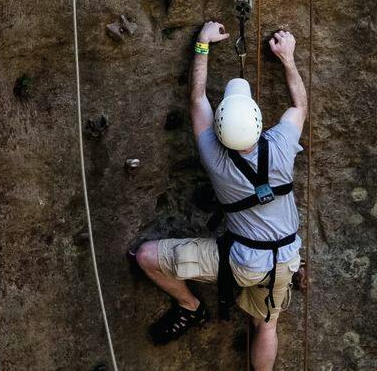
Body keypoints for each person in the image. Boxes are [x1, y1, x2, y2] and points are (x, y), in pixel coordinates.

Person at [132, 23, 308, 365]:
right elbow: (299, 105)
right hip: (285, 261)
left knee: (146, 256)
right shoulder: (283, 146)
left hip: (242, 262)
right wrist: (287, 57)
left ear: (220, 129)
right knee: (266, 328)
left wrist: (202, 45)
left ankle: (190, 306)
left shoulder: (215, 157)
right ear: (259, 122)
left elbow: (197, 99)